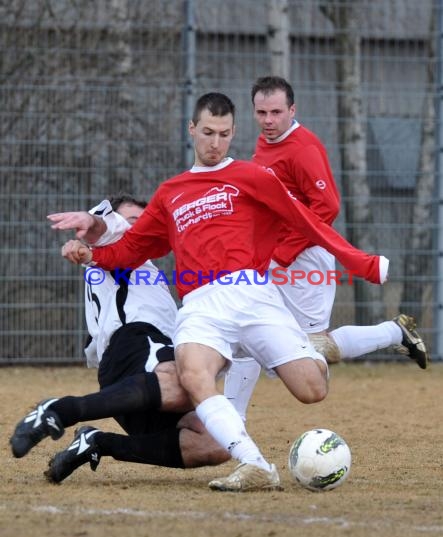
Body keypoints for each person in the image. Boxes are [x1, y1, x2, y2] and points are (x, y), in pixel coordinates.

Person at [47, 92, 390, 492]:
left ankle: (298, 345)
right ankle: (255, 465)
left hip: (251, 295)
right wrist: (93, 253)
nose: (215, 143)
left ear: (233, 134)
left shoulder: (254, 177)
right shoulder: (171, 192)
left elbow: (308, 221)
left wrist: (360, 262)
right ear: (192, 129)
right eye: (208, 132)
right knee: (194, 376)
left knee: (312, 389)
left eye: (224, 134)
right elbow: (133, 247)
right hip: (202, 305)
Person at [224, 77, 428, 408]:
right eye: (261, 112)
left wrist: (285, 251)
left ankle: (394, 333)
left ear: (293, 109)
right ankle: (228, 425)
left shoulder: (303, 148)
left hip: (303, 259)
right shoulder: (266, 142)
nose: (269, 120)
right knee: (248, 330)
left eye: (276, 112)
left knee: (306, 352)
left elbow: (327, 206)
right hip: (271, 260)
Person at [10, 195, 229, 483]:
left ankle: (98, 443)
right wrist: (90, 230)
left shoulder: (141, 269)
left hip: (129, 379)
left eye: (141, 223)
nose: (135, 229)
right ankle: (58, 411)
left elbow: (93, 348)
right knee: (190, 381)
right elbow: (101, 229)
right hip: (138, 343)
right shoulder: (119, 252)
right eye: (129, 223)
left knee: (218, 441)